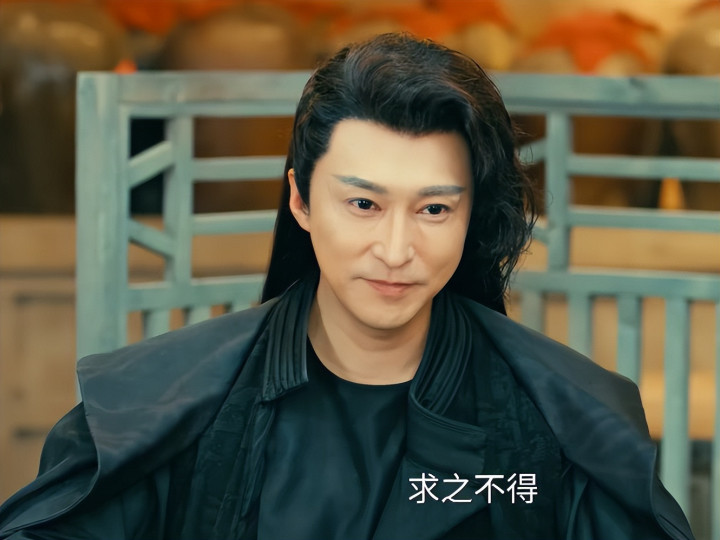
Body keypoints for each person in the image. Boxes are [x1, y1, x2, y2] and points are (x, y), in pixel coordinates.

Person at [0, 33, 693, 540]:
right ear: (301, 201)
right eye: (363, 203)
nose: (395, 250)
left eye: (434, 209)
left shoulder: (561, 425)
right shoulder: (165, 408)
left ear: (471, 216)